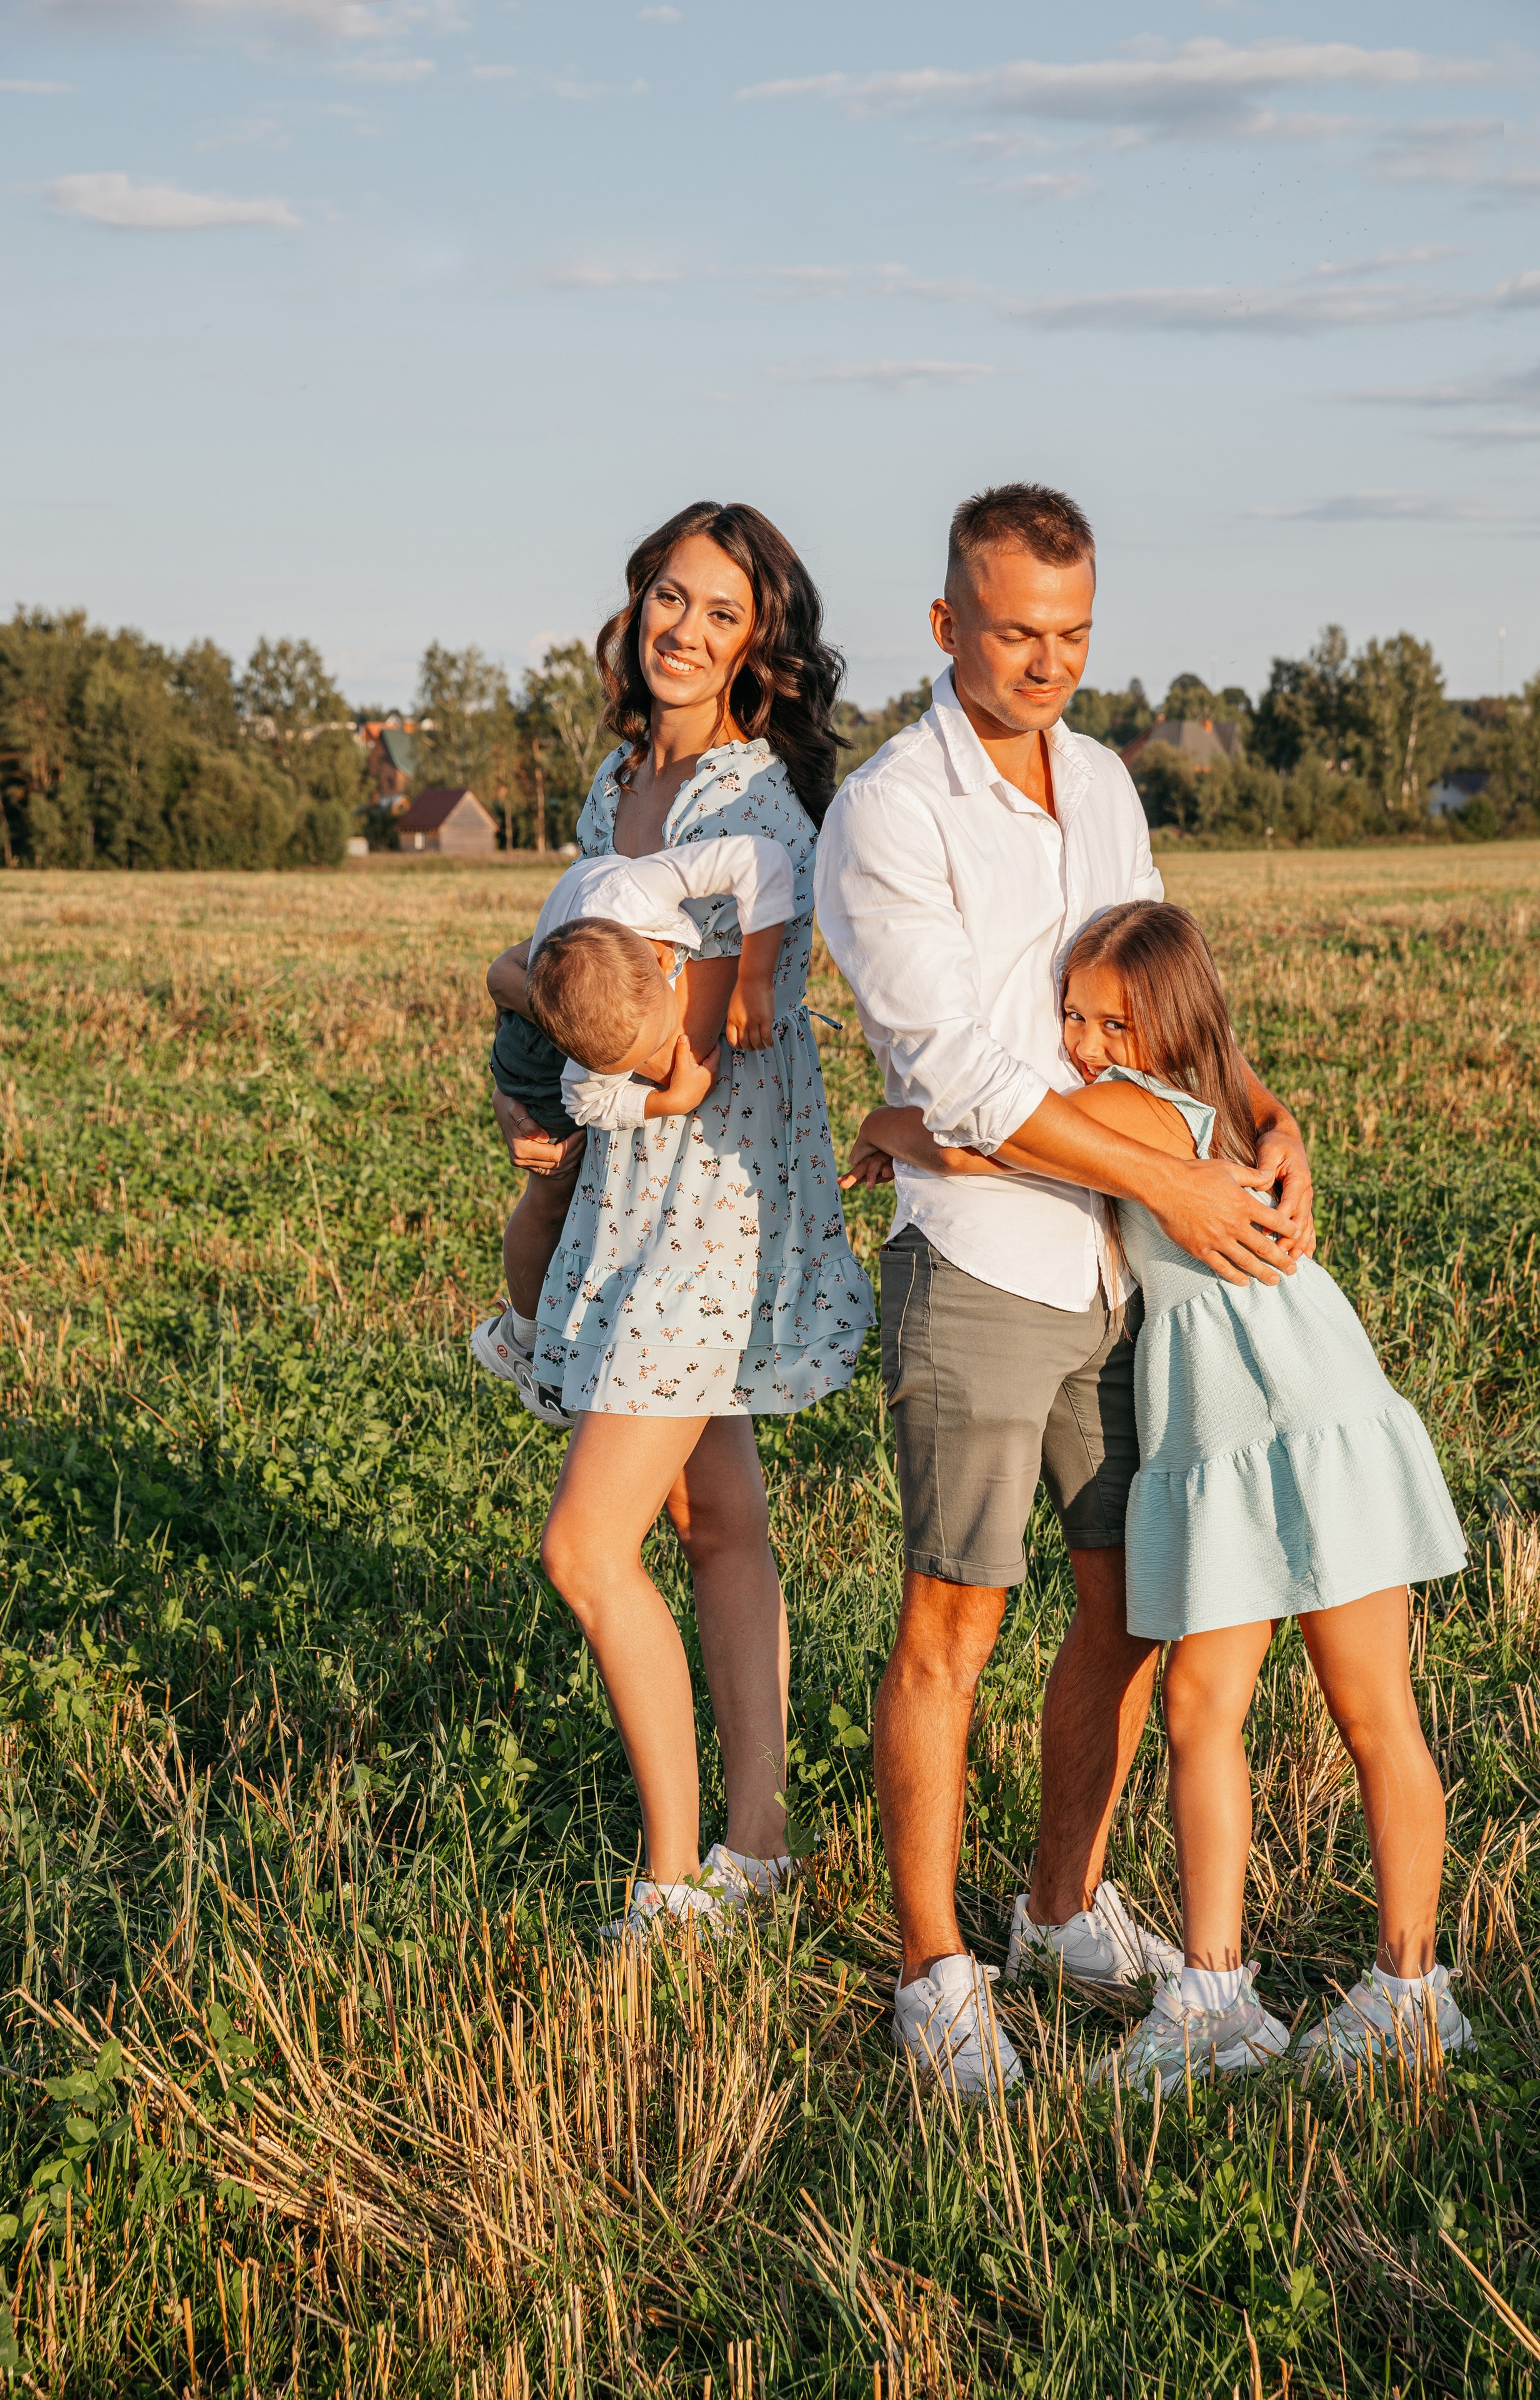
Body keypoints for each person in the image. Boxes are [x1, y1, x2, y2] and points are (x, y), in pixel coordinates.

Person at [816, 481, 1315, 2096]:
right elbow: (962, 1074)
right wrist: (1167, 1171)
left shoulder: (1102, 780)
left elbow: (1154, 986)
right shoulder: (892, 812)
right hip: (978, 1266)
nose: (1045, 664)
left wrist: (1255, 1117)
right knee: (957, 1617)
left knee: (1130, 1609)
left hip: (1119, 1274)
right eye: (1014, 632)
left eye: (1074, 635)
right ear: (948, 622)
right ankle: (931, 1971)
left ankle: (1055, 1912)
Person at [851, 901, 1472, 2090]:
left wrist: (888, 1120)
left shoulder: (1134, 1106)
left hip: (1276, 1421)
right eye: (1072, 1016)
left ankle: (1315, 1992)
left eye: (1108, 1020)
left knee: (1288, 1711)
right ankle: (1309, 1992)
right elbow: (1239, 1103)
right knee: (1274, 1707)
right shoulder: (1228, 1098)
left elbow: (1003, 1142)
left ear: (1166, 1023)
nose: (1082, 1042)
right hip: (1279, 1417)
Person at [512, 501, 875, 1936]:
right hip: (631, 1187)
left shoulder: (749, 804)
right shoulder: (617, 787)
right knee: (712, 1517)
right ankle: (759, 1846)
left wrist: (604, 1083)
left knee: (584, 1551)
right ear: (633, 603)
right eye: (669, 595)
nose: (682, 628)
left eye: (719, 613)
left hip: (712, 1201)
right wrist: (545, 1078)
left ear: (758, 646)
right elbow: (585, 974)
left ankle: (674, 1885)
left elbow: (733, 1036)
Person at [471, 833, 794, 1423]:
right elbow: (588, 1099)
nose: (656, 1062)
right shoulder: (586, 1053)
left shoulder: (644, 884)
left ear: (664, 960)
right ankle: (522, 1341)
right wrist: (665, 1103)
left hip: (557, 997)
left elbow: (762, 858)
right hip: (540, 1042)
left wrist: (757, 977)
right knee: (555, 1186)